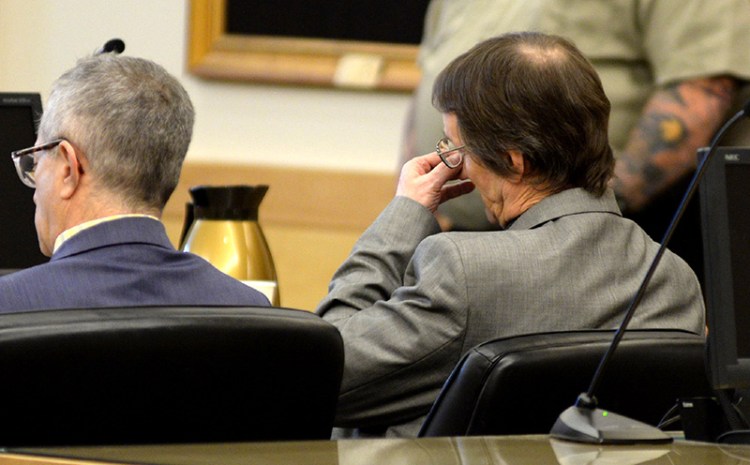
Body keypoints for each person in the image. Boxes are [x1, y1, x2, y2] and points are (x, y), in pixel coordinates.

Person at [317, 32, 705, 438]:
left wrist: (405, 213)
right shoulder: (675, 281)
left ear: (512, 162)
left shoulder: (461, 272)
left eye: (458, 150)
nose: (458, 166)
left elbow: (321, 374)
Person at [402, 0, 750, 282]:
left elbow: (700, 90)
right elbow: (432, 83)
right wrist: (417, 212)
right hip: (462, 240)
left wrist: (595, 210)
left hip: (618, 236)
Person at [0, 53, 270, 312]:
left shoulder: (9, 306)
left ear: (69, 169)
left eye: (35, 161)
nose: (35, 192)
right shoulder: (252, 310)